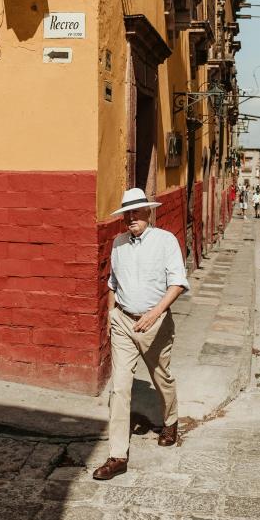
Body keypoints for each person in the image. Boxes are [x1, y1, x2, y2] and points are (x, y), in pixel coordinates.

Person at [93, 188, 189, 481]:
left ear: (148, 211)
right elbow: (112, 283)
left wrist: (155, 313)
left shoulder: (165, 241)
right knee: (120, 388)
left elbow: (177, 283)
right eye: (127, 213)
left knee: (162, 376)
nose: (131, 217)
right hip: (123, 321)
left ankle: (170, 421)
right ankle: (117, 455)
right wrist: (111, 315)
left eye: (137, 211)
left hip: (155, 323)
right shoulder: (119, 243)